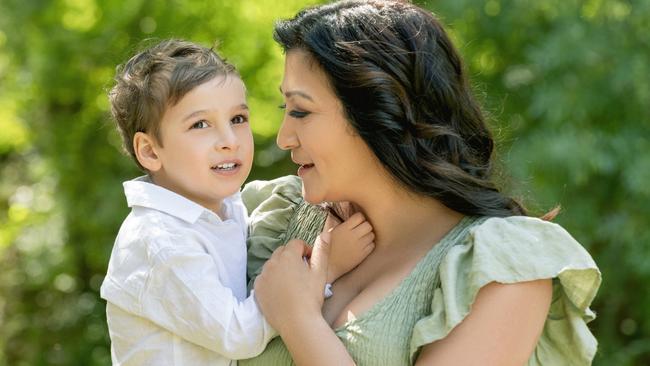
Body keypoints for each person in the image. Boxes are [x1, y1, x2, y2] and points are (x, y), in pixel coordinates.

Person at [239, 1, 601, 365]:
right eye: (287, 111)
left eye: (301, 111)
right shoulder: (274, 219)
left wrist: (297, 319)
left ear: (382, 111)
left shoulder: (504, 271)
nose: (285, 137)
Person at [99, 39, 373, 366]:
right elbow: (239, 334)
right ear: (150, 151)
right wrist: (326, 267)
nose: (229, 141)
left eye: (238, 119)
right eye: (200, 125)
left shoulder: (227, 205)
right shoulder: (161, 243)